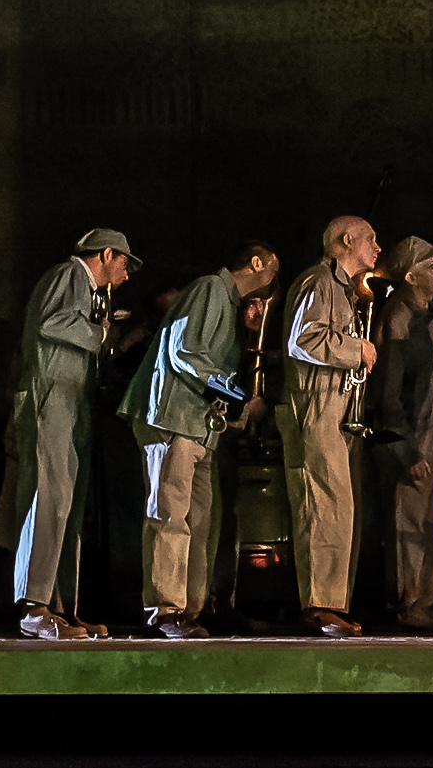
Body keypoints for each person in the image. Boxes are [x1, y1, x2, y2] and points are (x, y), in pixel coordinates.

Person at [122, 239, 275, 638]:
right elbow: (185, 353)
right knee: (171, 514)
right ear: (256, 263)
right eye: (272, 271)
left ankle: (188, 609)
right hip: (173, 418)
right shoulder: (211, 288)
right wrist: (239, 399)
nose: (273, 283)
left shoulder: (226, 303)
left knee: (199, 520)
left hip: (198, 427)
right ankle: (165, 611)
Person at [0, 226, 134, 639]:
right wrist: (101, 333)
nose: (127, 271)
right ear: (106, 254)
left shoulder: (87, 288)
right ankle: (35, 607)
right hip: (51, 400)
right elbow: (53, 322)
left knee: (66, 508)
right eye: (125, 261)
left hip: (70, 404)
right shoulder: (71, 274)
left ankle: (59, 608)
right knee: (47, 499)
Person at [279, 216, 383, 635]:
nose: (378, 247)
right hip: (313, 408)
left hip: (332, 410)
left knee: (337, 508)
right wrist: (357, 349)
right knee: (322, 505)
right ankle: (319, 606)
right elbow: (303, 339)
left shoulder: (340, 288)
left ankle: (329, 603)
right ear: (347, 240)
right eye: (370, 240)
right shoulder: (318, 282)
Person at [358, 236, 433, 632]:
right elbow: (387, 391)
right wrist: (406, 449)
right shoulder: (397, 317)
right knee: (407, 525)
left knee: (429, 524)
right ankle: (406, 607)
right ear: (410, 275)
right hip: (412, 436)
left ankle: (423, 604)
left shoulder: (432, 314)